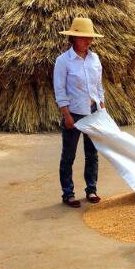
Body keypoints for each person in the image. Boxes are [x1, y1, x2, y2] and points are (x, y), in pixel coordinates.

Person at [53, 17, 106, 208]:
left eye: (90, 38)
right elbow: (60, 90)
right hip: (73, 113)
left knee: (92, 154)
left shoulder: (95, 59)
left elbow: (99, 86)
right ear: (74, 38)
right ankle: (68, 193)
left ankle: (91, 189)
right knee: (69, 155)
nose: (88, 41)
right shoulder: (63, 61)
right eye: (84, 38)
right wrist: (66, 115)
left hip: (93, 112)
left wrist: (102, 106)